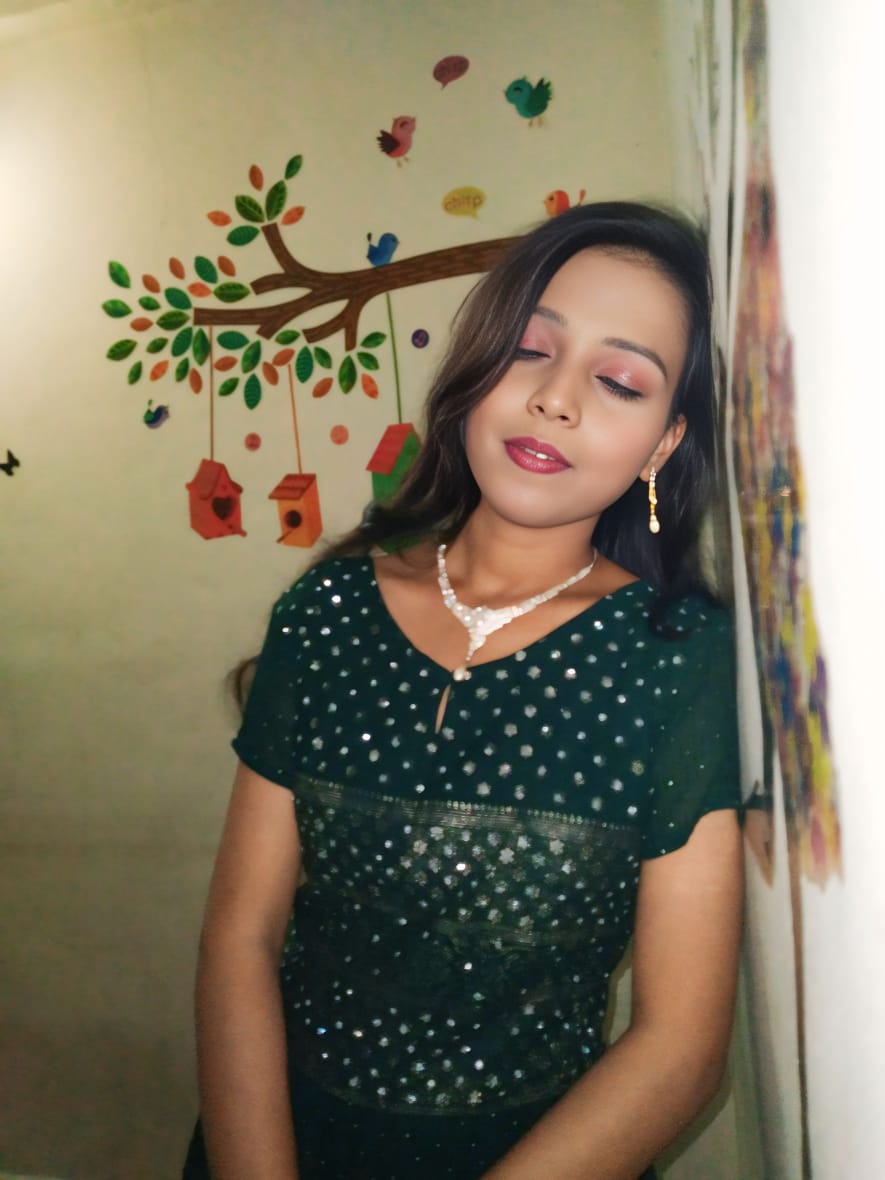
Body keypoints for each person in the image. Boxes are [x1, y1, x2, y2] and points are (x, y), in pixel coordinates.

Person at [183, 202, 744, 1180]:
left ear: (662, 445)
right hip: (278, 1138)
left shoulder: (679, 658)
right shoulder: (326, 609)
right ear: (477, 372)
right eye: (530, 350)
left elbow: (680, 1048)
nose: (556, 400)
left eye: (619, 381)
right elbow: (241, 936)